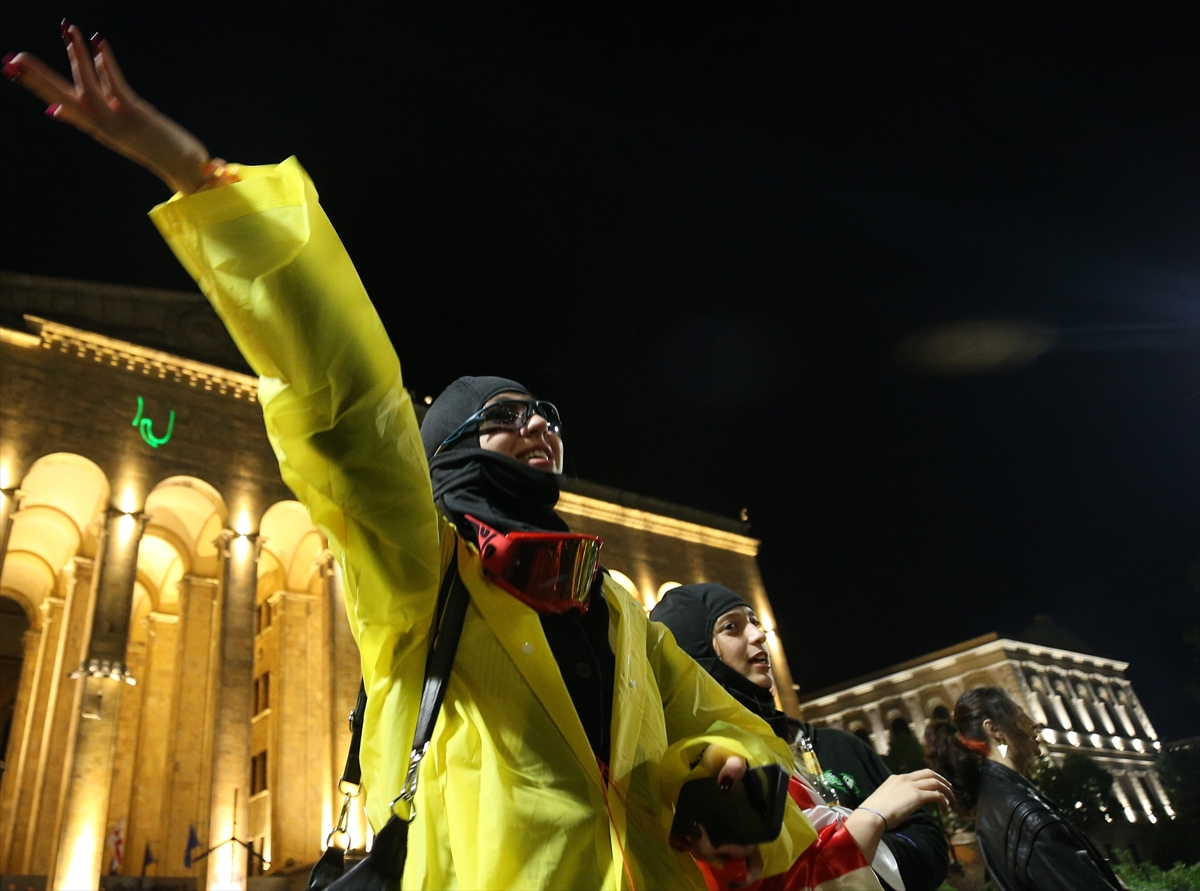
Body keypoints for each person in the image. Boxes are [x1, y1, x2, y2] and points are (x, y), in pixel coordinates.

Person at [2, 25, 819, 890]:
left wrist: (714, 772)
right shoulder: (422, 569)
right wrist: (202, 183)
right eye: (506, 417)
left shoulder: (612, 605)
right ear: (453, 449)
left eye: (546, 413)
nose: (540, 426)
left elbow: (721, 729)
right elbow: (345, 402)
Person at [651, 584, 953, 891]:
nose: (759, 635)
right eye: (731, 627)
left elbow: (928, 845)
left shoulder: (837, 744)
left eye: (755, 621)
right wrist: (869, 821)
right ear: (695, 651)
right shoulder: (702, 768)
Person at [924, 686, 1123, 891]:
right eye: (1020, 715)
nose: (1034, 723)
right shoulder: (1025, 813)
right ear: (994, 730)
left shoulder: (994, 799)